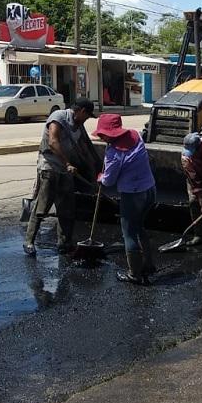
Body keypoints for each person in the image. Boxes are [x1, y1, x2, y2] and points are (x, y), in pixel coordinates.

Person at [24, 98, 98, 257]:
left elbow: (85, 148)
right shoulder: (58, 117)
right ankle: (29, 241)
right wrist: (67, 163)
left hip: (66, 170)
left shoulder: (79, 126)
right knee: (42, 207)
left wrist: (94, 171)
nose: (87, 119)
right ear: (82, 111)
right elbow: (53, 141)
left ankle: (64, 243)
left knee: (66, 208)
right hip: (50, 166)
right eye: (87, 116)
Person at [95, 113, 157, 284]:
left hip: (133, 195)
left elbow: (109, 181)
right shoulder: (136, 135)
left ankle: (134, 274)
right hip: (150, 189)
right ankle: (149, 264)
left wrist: (101, 177)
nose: (101, 137)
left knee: (129, 233)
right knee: (140, 227)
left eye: (102, 134)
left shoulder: (113, 152)